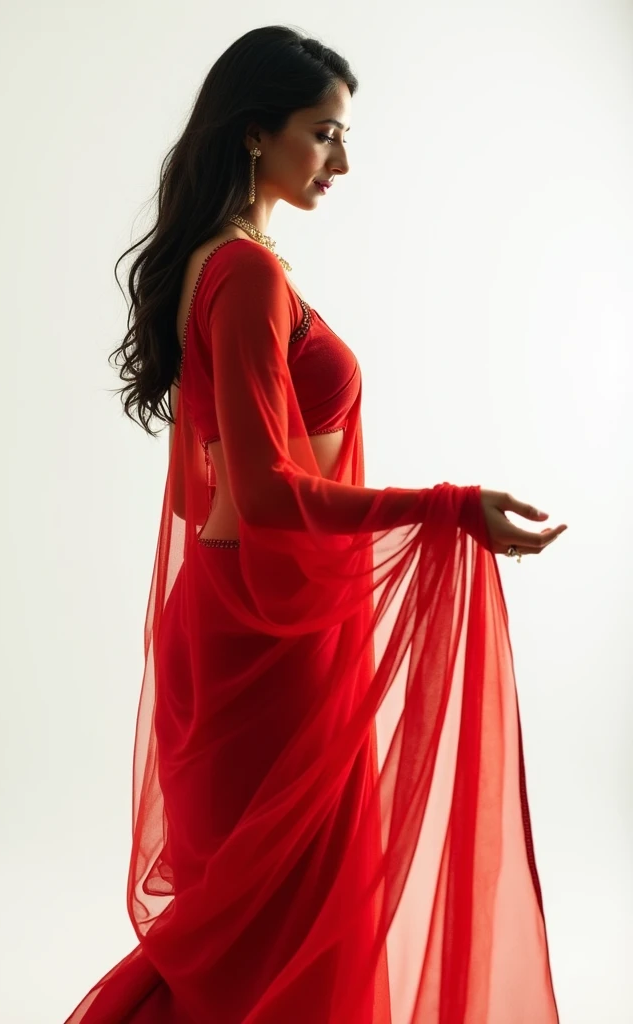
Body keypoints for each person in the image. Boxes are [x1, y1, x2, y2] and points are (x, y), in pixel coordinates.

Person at [63, 25, 566, 1024]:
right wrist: (448, 506)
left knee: (261, 914)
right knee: (276, 914)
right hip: (263, 638)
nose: (341, 160)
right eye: (322, 134)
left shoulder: (217, 264)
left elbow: (198, 493)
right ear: (256, 135)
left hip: (236, 612)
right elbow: (268, 498)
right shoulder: (245, 276)